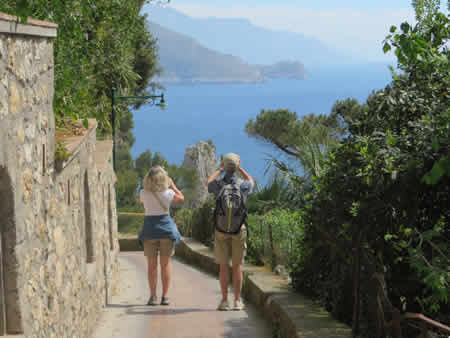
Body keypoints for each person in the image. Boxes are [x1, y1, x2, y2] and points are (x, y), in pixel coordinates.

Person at [207, 153, 254, 311]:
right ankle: (237, 301)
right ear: (236, 166)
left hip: (221, 230)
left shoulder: (218, 184)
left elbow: (208, 183)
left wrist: (219, 170)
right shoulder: (243, 185)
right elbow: (252, 182)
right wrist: (241, 169)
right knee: (237, 266)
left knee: (223, 267)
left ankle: (225, 301)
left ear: (224, 166)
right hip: (238, 229)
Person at [138, 165, 184, 306]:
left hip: (149, 231)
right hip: (166, 231)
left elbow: (141, 201)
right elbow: (181, 199)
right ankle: (165, 297)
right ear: (163, 179)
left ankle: (153, 297)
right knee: (165, 265)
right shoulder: (168, 193)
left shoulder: (143, 193)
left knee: (151, 266)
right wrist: (173, 185)